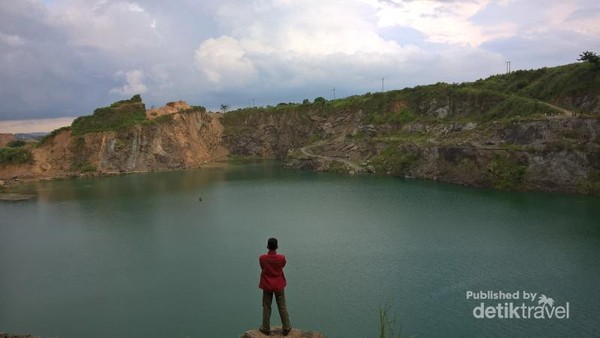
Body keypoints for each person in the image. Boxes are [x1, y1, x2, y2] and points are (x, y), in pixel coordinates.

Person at [259, 237, 291, 336]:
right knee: (282, 306)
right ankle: (286, 327)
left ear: (268, 246)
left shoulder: (262, 258)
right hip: (279, 285)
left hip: (267, 285)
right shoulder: (281, 258)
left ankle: (265, 328)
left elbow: (262, 267)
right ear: (276, 246)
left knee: (266, 307)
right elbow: (283, 265)